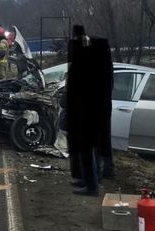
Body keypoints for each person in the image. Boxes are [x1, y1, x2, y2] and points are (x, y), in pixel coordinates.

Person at [66, 24, 113, 196]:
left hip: (90, 116)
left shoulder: (94, 68)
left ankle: (92, 185)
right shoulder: (101, 66)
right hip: (94, 116)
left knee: (89, 150)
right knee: (92, 150)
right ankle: (91, 181)